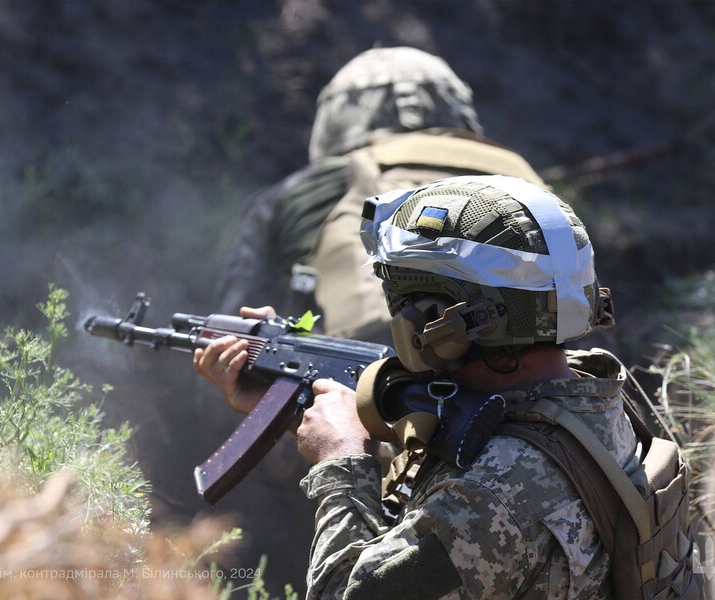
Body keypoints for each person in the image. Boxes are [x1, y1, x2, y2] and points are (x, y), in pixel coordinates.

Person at [194, 175, 637, 598]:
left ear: (436, 320)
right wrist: (299, 414)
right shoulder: (592, 394)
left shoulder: (492, 498)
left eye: (402, 301)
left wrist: (341, 462)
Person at [216, 47, 546, 345]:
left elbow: (236, 333)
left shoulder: (305, 189)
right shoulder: (528, 182)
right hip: (544, 393)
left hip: (362, 392)